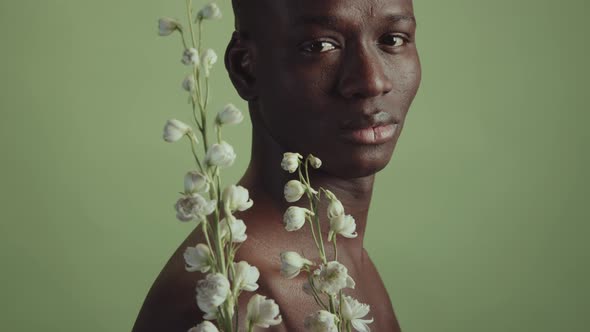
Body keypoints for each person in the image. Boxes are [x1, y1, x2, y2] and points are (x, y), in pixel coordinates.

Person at [133, 0, 421, 330]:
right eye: (320, 45)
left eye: (393, 39)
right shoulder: (236, 305)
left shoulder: (341, 257)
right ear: (246, 67)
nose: (372, 81)